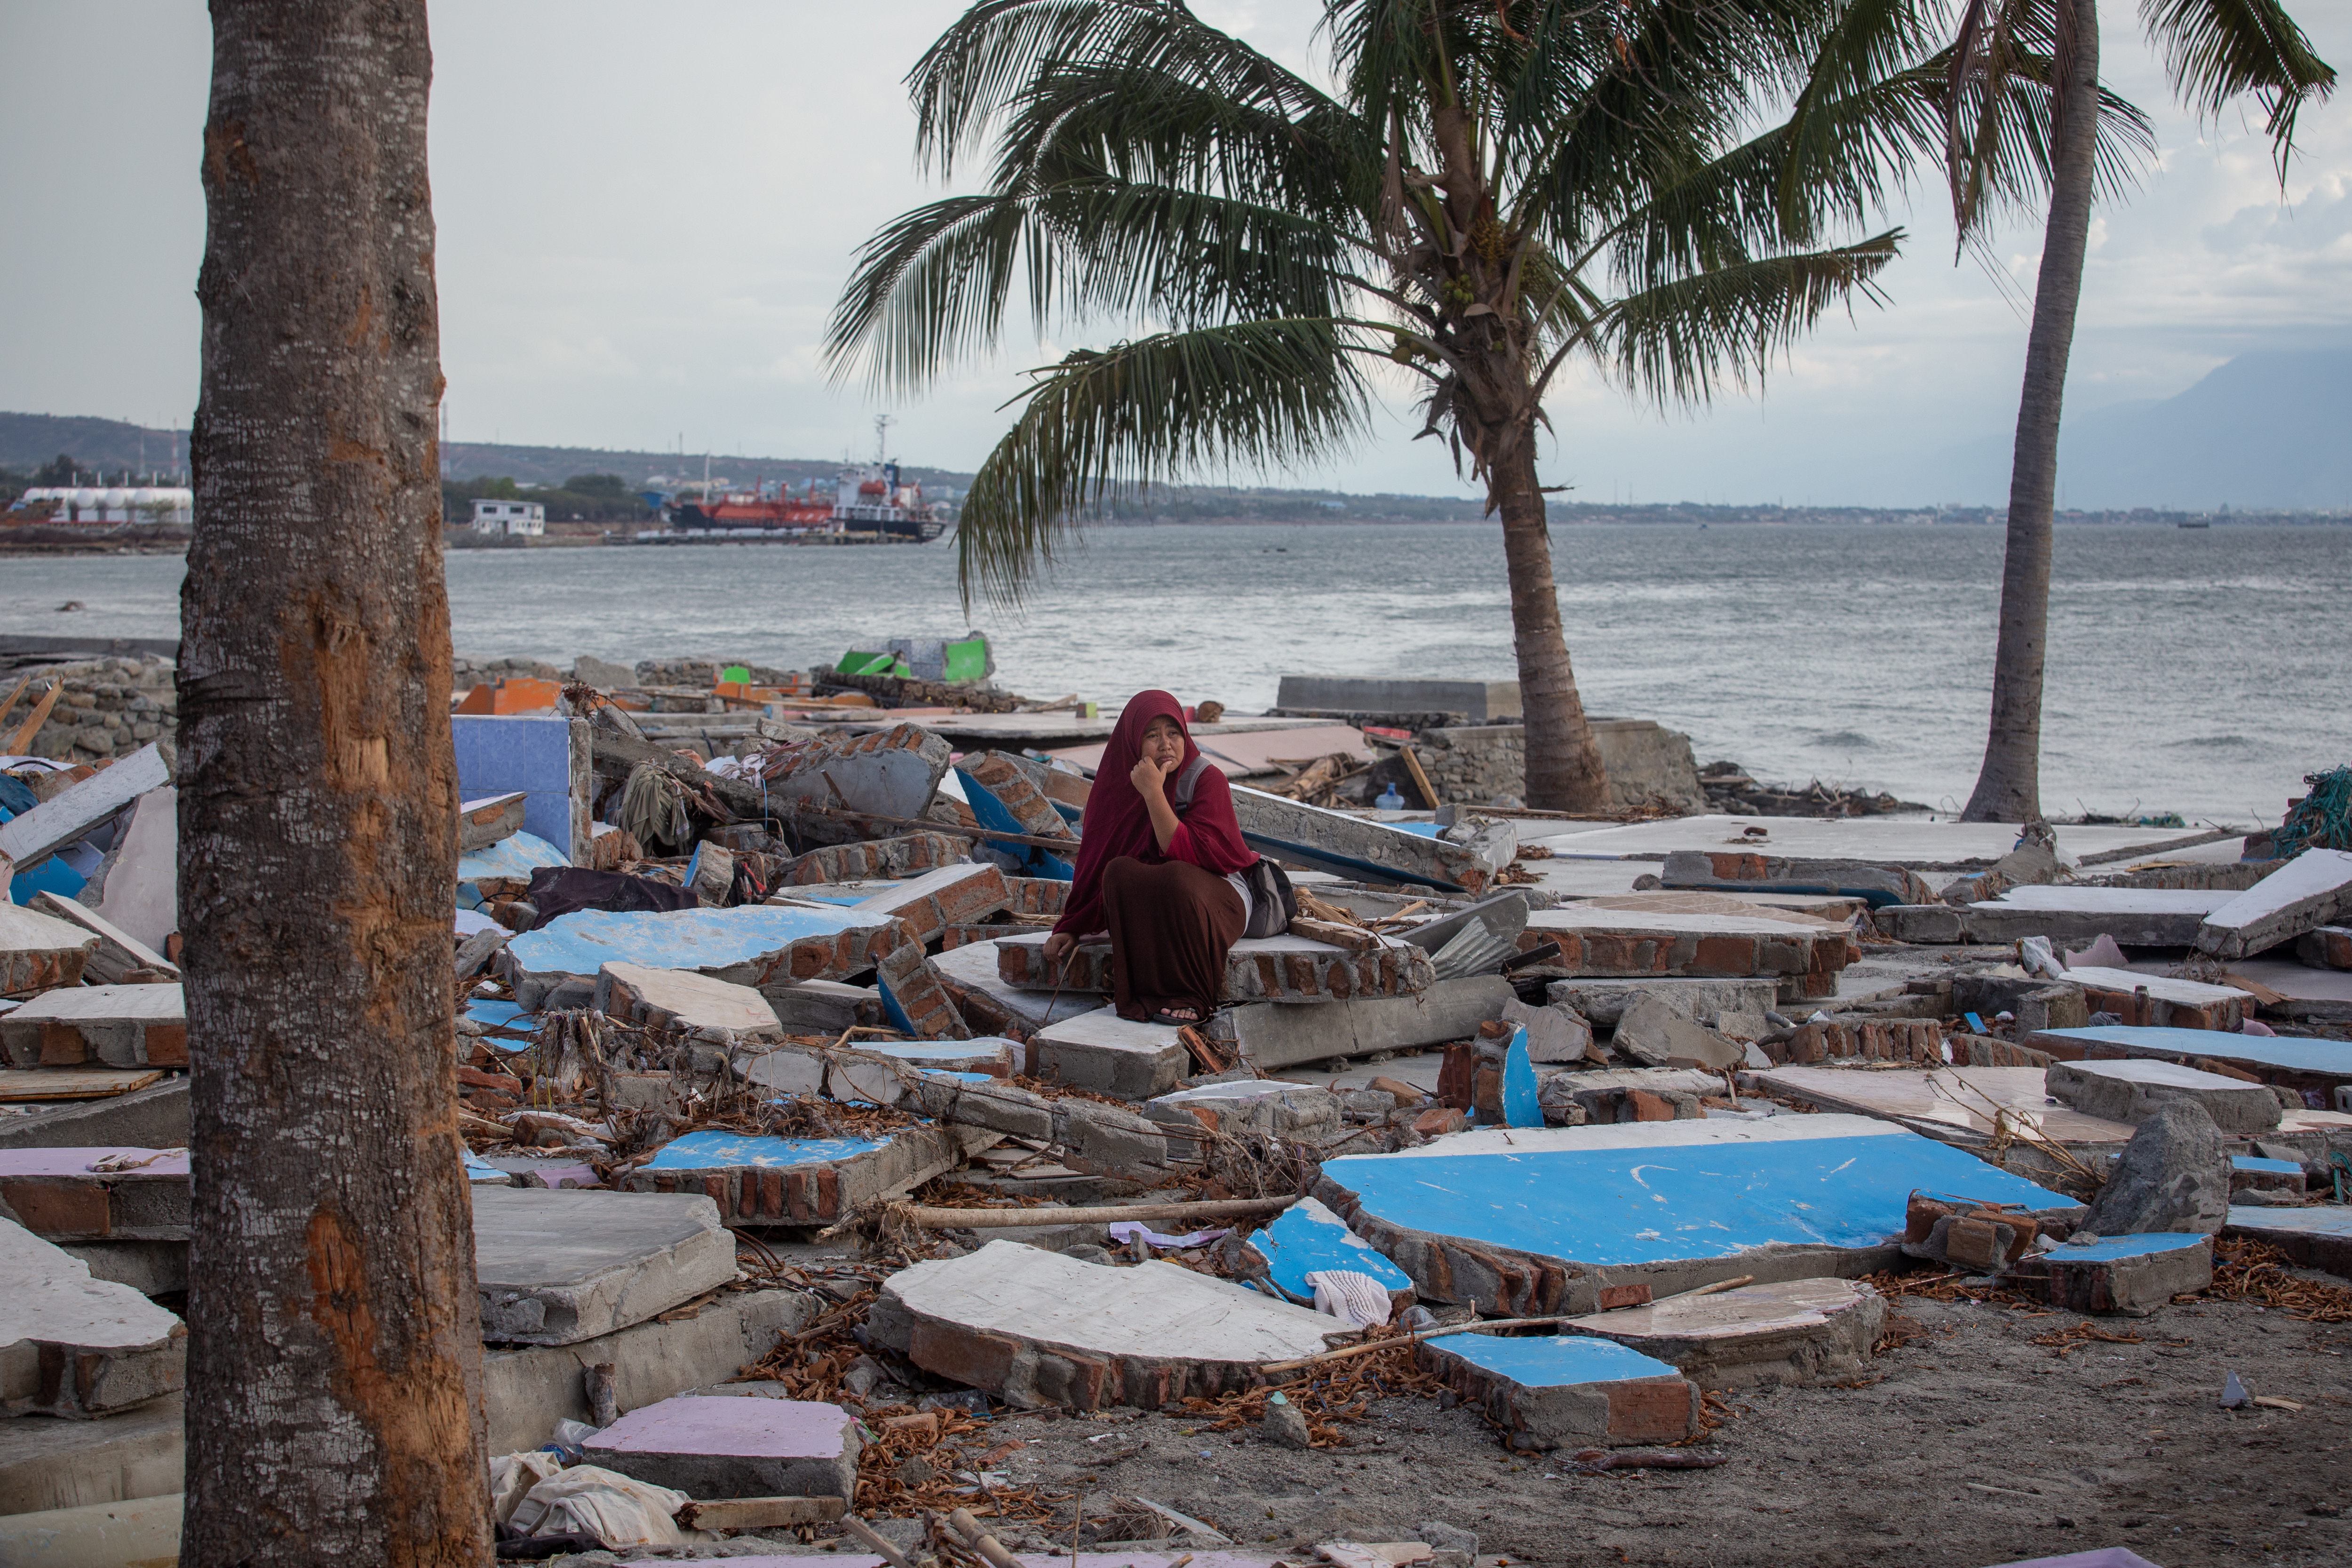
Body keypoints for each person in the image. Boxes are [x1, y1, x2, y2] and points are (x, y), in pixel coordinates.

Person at [1044, 690, 1259, 1026]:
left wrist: (1154, 793)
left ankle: (1192, 996)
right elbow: (1096, 865)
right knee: (1119, 872)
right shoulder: (1116, 786)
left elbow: (1200, 856)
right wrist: (1074, 928)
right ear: (1133, 740)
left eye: (1174, 733)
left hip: (1217, 898)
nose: (1165, 744)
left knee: (1175, 876)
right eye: (1152, 735)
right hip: (1161, 901)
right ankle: (1143, 994)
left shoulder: (1206, 778)